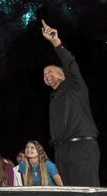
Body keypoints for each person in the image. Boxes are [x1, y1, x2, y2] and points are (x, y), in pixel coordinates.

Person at [40, 19, 101, 186]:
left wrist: (55, 42)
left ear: (62, 74)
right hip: (61, 151)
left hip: (81, 147)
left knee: (85, 195)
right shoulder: (53, 98)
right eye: (44, 75)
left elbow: (70, 64)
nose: (46, 76)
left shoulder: (75, 85)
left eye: (50, 71)